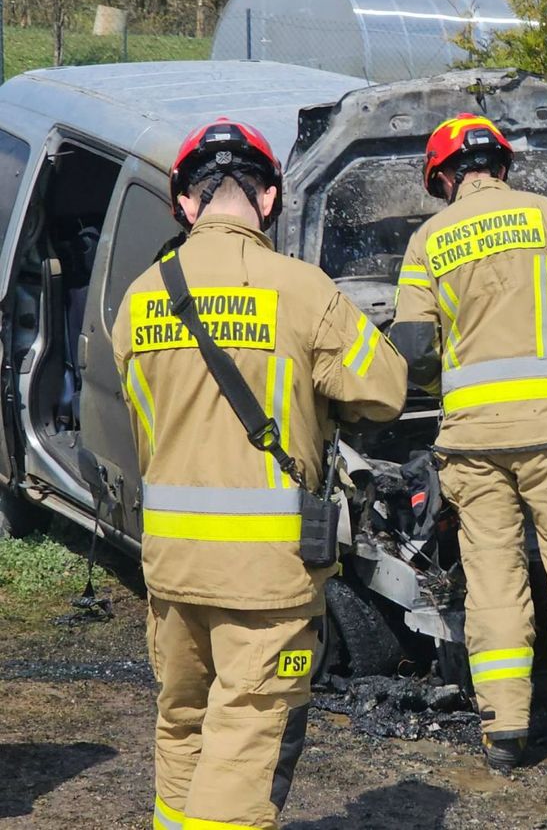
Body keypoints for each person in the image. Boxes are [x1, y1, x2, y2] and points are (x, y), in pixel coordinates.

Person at [112, 118, 407, 830]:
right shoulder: (301, 291)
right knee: (246, 741)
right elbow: (388, 388)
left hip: (172, 567)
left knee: (182, 725)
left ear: (185, 203)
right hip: (265, 577)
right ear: (269, 197)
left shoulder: (137, 301)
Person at [389, 113, 547, 777]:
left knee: (494, 580)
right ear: (500, 165)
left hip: (473, 446)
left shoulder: (427, 241)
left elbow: (413, 352)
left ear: (444, 177)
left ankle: (504, 734)